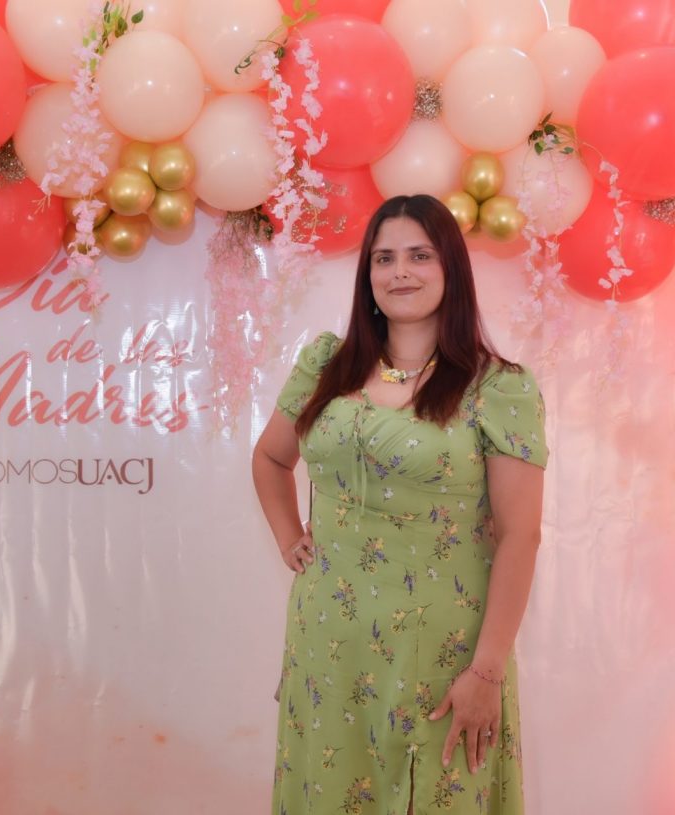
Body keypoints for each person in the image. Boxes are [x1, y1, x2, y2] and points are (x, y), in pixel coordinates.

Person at [252, 194, 547, 814]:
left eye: (419, 255)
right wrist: (288, 536)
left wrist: (486, 671)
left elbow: (520, 535)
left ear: (451, 268)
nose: (399, 272)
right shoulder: (327, 365)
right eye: (383, 258)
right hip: (329, 642)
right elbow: (272, 458)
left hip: (443, 651)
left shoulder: (497, 387)